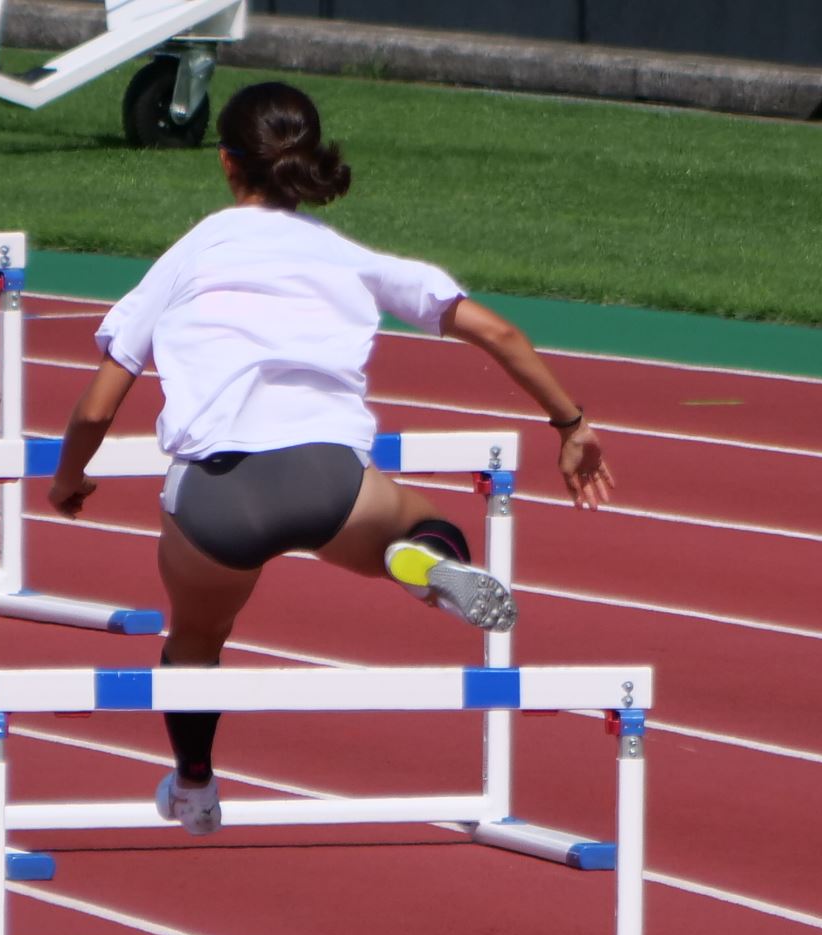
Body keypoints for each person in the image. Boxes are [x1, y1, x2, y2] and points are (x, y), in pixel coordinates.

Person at [48, 81, 613, 836]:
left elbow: (95, 406)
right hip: (330, 481)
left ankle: (194, 785)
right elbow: (500, 335)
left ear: (226, 163)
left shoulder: (188, 256)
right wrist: (568, 422)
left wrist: (67, 478)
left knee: (193, 643)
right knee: (415, 520)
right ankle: (417, 561)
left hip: (215, 500)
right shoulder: (347, 257)